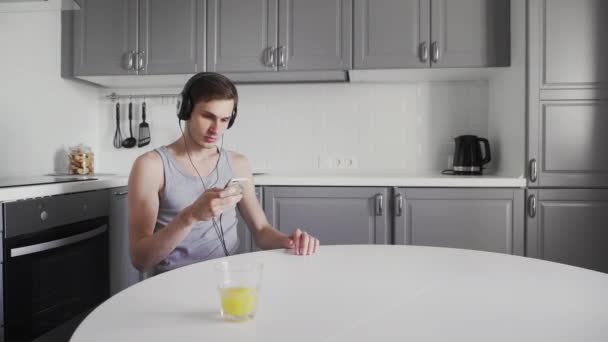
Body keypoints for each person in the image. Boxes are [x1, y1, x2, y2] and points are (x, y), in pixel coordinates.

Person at [128, 72, 320, 274]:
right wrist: (190, 216)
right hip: (172, 282)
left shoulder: (238, 164)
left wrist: (289, 241)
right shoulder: (151, 166)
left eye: (225, 119)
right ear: (186, 111)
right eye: (208, 116)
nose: (216, 129)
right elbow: (140, 260)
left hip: (227, 281)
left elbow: (262, 231)